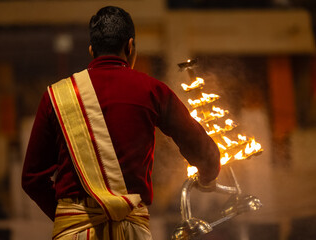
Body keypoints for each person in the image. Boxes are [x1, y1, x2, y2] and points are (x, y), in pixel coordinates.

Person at [22, 6, 220, 240]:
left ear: (91, 50)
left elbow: (32, 178)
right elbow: (205, 153)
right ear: (130, 46)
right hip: (131, 232)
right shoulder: (152, 91)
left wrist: (71, 217)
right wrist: (207, 176)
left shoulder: (56, 95)